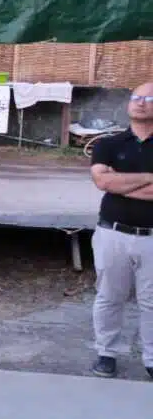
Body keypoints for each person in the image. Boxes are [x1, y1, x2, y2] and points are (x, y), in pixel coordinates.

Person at [88, 81, 153, 380]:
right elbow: (103, 182)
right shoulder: (108, 144)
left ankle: (151, 359)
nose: (141, 102)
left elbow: (113, 183)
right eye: (136, 97)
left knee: (151, 301)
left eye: (149, 98)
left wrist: (122, 182)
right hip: (112, 233)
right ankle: (107, 353)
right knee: (109, 296)